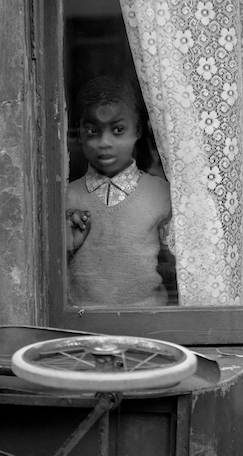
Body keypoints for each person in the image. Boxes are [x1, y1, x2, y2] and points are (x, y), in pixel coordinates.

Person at [65, 75, 173, 307]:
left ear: (137, 131)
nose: (104, 142)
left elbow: (178, 266)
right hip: (81, 325)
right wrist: (67, 248)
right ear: (79, 133)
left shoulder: (161, 194)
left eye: (118, 130)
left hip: (150, 323)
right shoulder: (66, 197)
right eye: (93, 131)